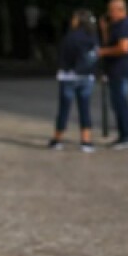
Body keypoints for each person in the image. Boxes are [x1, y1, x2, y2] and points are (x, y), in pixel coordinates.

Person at [48, 10, 98, 152]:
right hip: (86, 76)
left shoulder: (70, 37)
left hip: (69, 76)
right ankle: (86, 141)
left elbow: (64, 56)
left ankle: (57, 139)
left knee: (64, 108)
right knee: (85, 108)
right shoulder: (92, 37)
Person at [98, 0, 128, 149]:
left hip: (121, 68)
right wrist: (105, 30)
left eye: (111, 10)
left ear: (120, 10)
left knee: (121, 102)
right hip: (114, 69)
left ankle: (127, 136)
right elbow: (110, 42)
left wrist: (102, 52)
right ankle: (123, 134)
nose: (109, 13)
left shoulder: (125, 25)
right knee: (116, 103)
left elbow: (124, 48)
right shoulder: (116, 25)